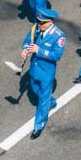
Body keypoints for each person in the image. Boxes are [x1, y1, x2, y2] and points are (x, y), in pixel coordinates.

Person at [24, 8, 66, 139]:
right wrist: (25, 49)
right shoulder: (36, 29)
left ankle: (38, 126)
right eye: (38, 21)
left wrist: (39, 50)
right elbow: (27, 40)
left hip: (46, 73)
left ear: (50, 22)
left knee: (42, 100)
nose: (39, 25)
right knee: (35, 90)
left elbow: (56, 55)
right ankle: (50, 101)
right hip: (34, 69)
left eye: (42, 23)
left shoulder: (59, 36)